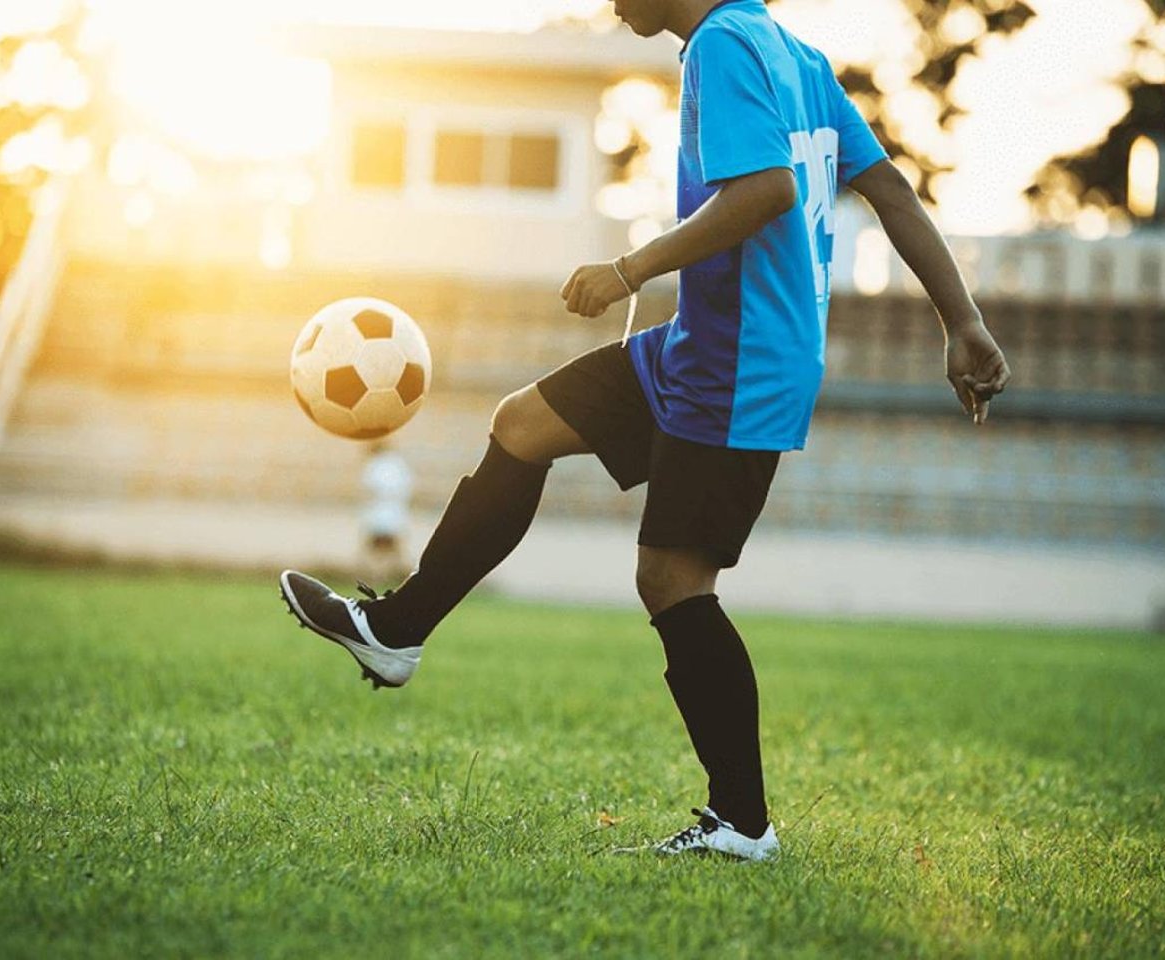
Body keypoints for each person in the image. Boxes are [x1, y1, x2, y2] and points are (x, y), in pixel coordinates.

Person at [279, 0, 1011, 862]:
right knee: (521, 425)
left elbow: (767, 191)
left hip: (742, 361)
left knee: (672, 580)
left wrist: (628, 268)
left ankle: (742, 824)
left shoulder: (723, 45)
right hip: (700, 346)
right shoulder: (796, 56)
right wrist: (961, 321)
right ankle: (397, 630)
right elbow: (887, 189)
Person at [359, 441, 414, 583]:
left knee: (376, 547)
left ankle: (377, 576)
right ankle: (396, 576)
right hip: (394, 511)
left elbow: (368, 488)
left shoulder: (375, 464)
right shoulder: (398, 464)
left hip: (380, 510)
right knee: (392, 546)